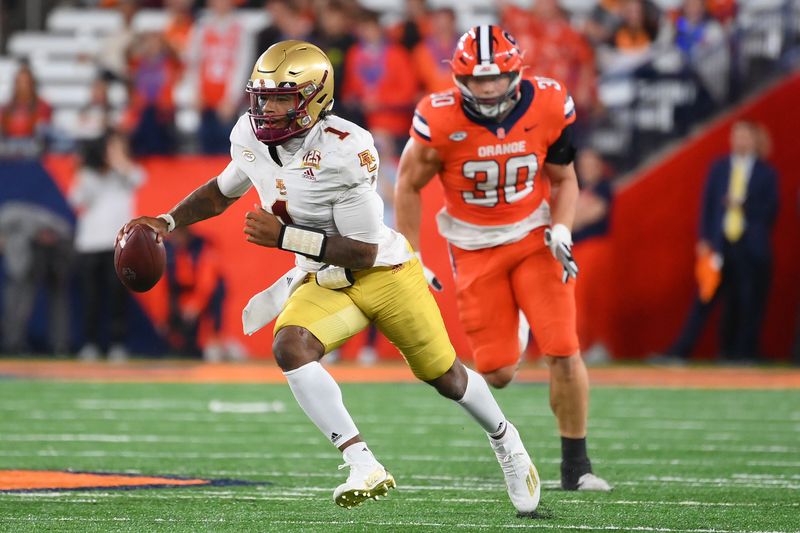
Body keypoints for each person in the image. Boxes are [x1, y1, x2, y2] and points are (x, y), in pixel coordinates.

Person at [118, 40, 542, 514]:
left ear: (315, 98)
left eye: (281, 98)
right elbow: (221, 191)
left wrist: (285, 238)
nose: (267, 109)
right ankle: (363, 463)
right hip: (323, 277)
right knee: (290, 346)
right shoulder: (251, 136)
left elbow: (361, 251)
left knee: (445, 377)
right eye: (262, 96)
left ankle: (507, 442)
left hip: (383, 274)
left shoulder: (347, 148)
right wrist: (167, 221)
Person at [395, 25, 611, 492]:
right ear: (459, 79)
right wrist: (409, 253)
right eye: (477, 79)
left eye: (496, 78)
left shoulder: (550, 103)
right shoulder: (439, 115)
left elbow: (565, 178)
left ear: (517, 72)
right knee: (497, 373)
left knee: (563, 350)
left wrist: (562, 228)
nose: (488, 88)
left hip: (535, 238)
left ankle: (578, 468)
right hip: (473, 248)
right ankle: (516, 324)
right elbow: (408, 184)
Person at [653, 121, 778, 364]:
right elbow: (707, 206)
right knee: (704, 298)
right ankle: (680, 351)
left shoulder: (767, 173)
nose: (740, 141)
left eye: (745, 136)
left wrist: (743, 205)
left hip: (749, 247)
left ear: (754, 140)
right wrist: (704, 239)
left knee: (747, 301)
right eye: (736, 136)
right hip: (720, 245)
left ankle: (743, 355)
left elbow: (770, 211)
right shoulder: (719, 168)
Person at [70, 133, 145, 362]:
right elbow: (77, 200)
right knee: (91, 298)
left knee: (118, 298)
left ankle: (117, 344)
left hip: (119, 245)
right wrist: (89, 169)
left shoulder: (125, 172)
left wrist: (117, 161)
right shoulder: (87, 174)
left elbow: (139, 178)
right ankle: (90, 344)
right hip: (90, 244)